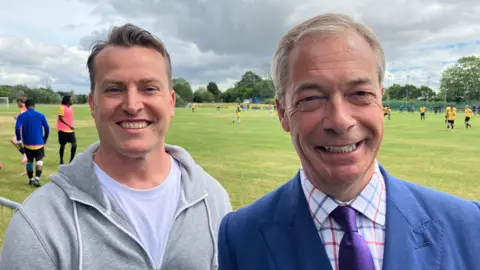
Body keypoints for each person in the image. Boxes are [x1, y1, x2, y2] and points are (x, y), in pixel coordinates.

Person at [217, 13, 480, 270]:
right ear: (283, 113)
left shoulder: (469, 225)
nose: (340, 121)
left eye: (360, 94)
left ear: (380, 100)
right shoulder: (240, 237)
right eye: (311, 98)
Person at [1, 23, 232, 270]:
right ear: (92, 104)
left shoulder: (213, 198)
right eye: (114, 89)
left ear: (171, 102)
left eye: (149, 88)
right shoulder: (39, 223)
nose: (132, 105)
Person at [14, 99, 50, 187]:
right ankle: (37, 179)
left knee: (29, 162)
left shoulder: (22, 116)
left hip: (27, 143)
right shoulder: (41, 115)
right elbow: (47, 128)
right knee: (39, 162)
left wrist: (19, 139)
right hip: (39, 142)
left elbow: (18, 128)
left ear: (25, 106)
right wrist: (44, 138)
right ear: (34, 106)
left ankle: (31, 179)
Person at [57, 95, 77, 164]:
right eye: (71, 100)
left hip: (71, 131)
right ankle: (61, 160)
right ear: (67, 101)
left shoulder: (71, 108)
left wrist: (71, 126)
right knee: (62, 145)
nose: (72, 101)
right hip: (63, 130)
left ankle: (71, 161)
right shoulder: (62, 107)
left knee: (74, 145)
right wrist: (69, 125)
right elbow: (61, 118)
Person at [10, 97, 28, 164]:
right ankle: (25, 155)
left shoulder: (23, 109)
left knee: (13, 140)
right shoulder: (27, 108)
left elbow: (23, 117)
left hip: (22, 129)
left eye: (18, 102)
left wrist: (17, 117)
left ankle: (24, 154)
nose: (17, 104)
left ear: (20, 102)